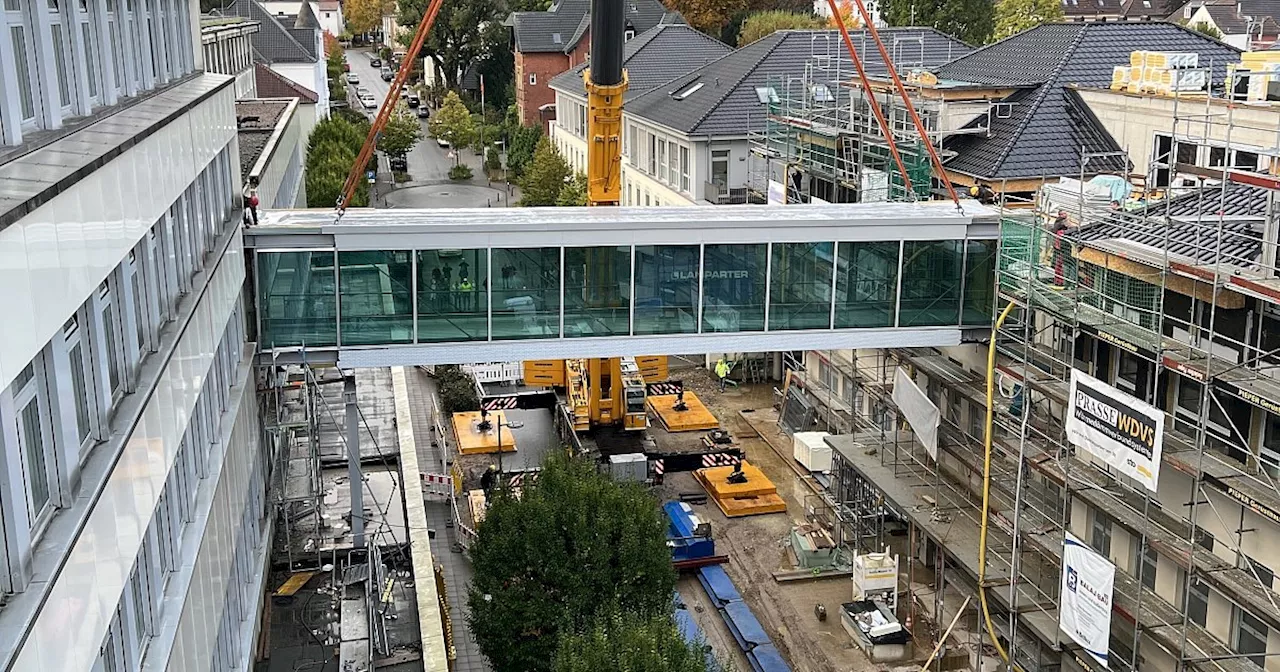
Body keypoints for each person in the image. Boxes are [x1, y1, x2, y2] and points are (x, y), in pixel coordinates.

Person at [1051, 210, 1070, 287]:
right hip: (1061, 246)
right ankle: (1061, 281)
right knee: (1061, 264)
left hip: (1058, 246)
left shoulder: (1057, 222)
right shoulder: (1061, 223)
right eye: (1063, 213)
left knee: (1059, 264)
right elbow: (1071, 227)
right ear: (1060, 215)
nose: (1065, 214)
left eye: (1065, 213)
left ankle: (1059, 281)